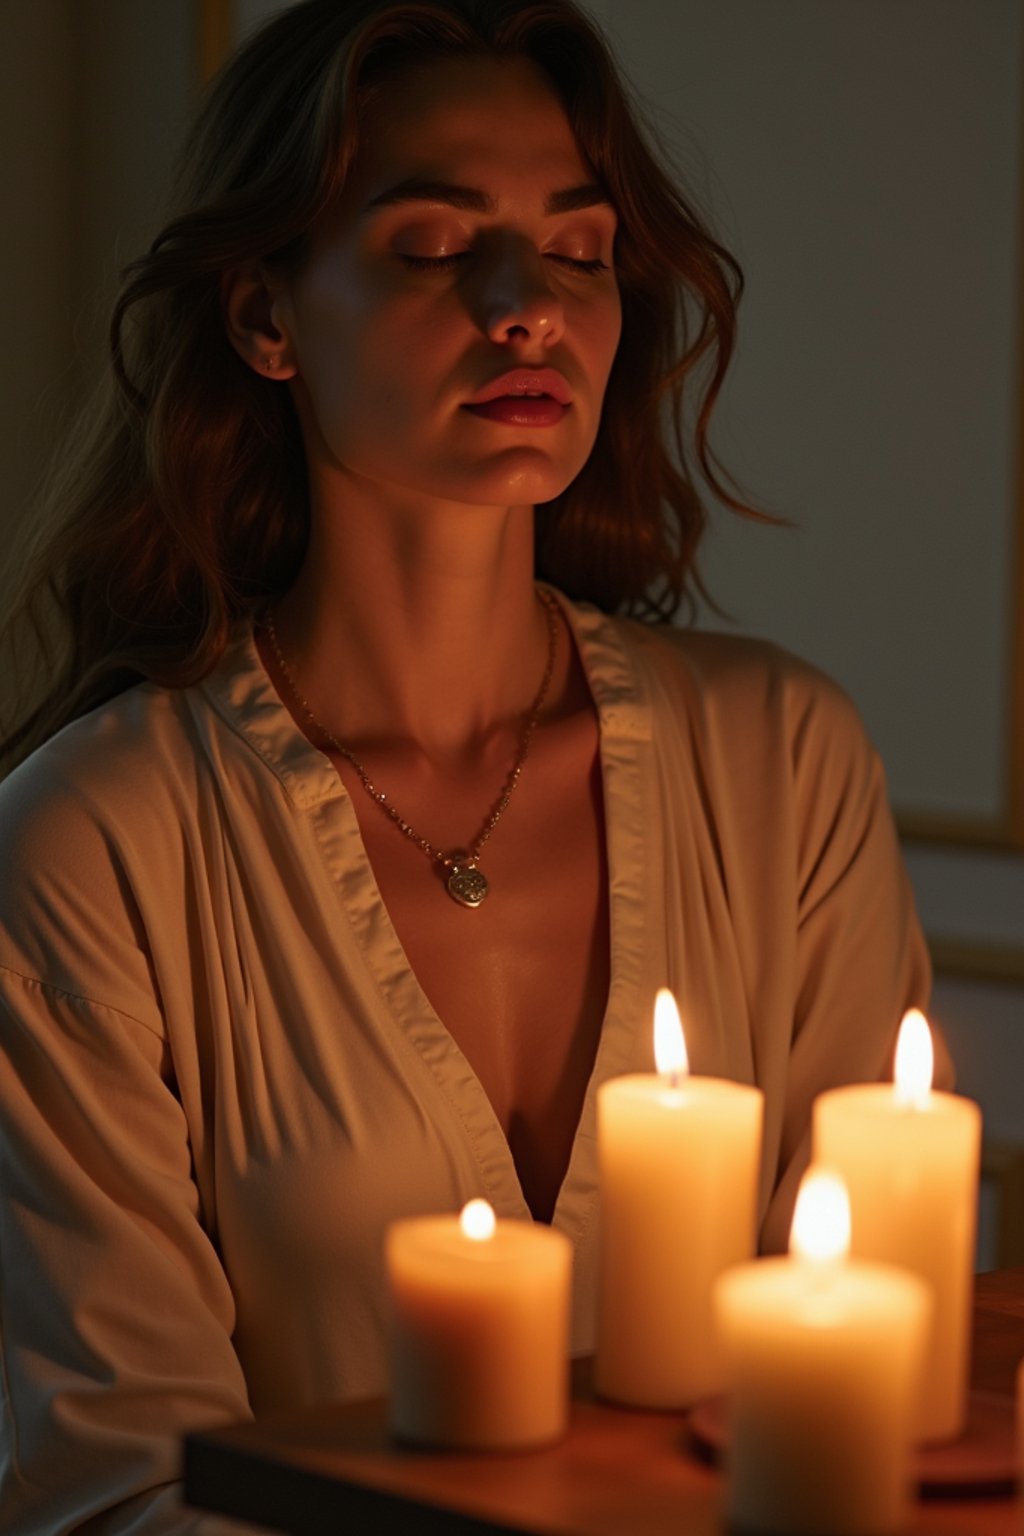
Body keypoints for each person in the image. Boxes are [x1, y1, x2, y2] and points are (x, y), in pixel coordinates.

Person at [0, 0, 946, 1530]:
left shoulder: (780, 759)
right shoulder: (93, 842)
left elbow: (873, 1346)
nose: (529, 307)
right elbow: (117, 1480)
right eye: (437, 247)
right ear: (264, 317)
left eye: (578, 251)